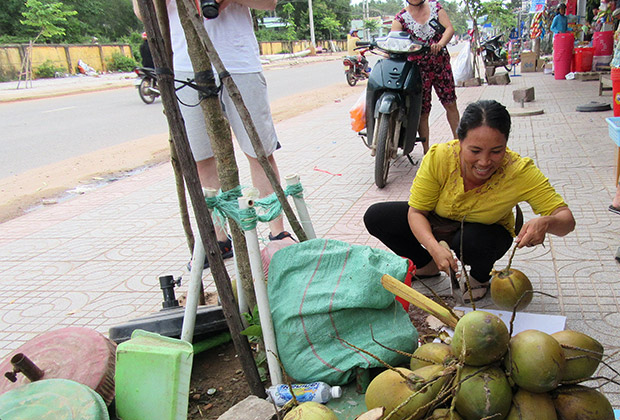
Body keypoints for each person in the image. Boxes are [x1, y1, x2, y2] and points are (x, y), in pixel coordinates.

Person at [134, 0, 293, 269]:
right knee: (201, 158)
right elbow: (142, 12)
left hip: (238, 60)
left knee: (260, 153)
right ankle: (218, 239)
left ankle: (277, 232)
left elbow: (270, 3)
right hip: (185, 64)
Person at [364, 100, 576, 301]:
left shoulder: (519, 171)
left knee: (471, 241)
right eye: (475, 151)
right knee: (377, 217)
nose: (484, 162)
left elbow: (566, 220)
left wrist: (547, 223)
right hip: (439, 221)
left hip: (483, 233)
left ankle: (480, 277)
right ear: (460, 140)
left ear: (506, 144)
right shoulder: (439, 157)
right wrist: (433, 248)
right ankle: (426, 265)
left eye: (496, 151)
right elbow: (417, 212)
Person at [391, 0, 459, 154]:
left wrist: (440, 44)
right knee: (423, 111)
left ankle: (459, 145)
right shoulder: (401, 18)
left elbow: (449, 29)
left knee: (450, 104)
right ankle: (427, 152)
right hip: (418, 69)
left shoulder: (435, 7)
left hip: (440, 64)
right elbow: (394, 41)